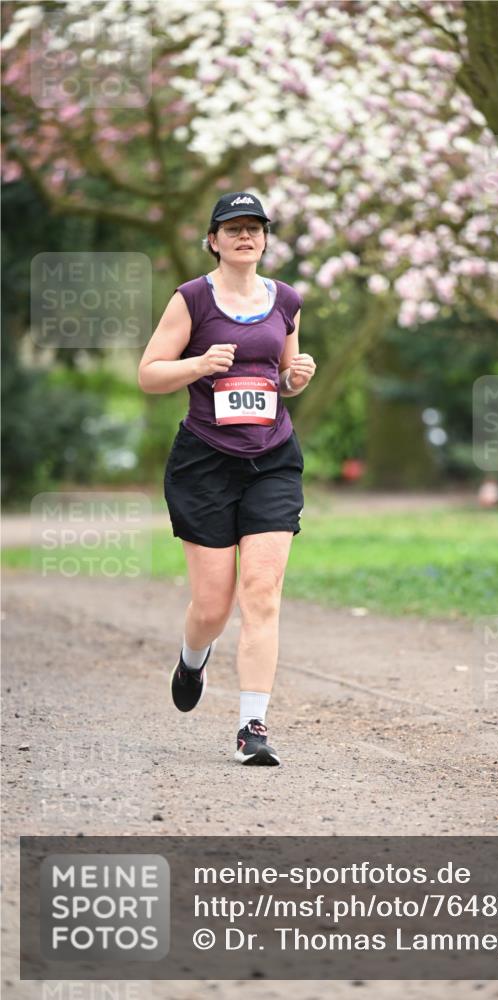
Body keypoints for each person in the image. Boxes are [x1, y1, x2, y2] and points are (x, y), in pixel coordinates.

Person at [137, 191, 316, 766]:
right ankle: (193, 658)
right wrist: (198, 364)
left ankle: (252, 727)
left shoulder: (286, 300)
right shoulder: (191, 299)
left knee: (261, 593)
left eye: (255, 228)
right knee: (213, 605)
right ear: (213, 240)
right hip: (205, 463)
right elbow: (149, 374)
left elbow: (281, 374)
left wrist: (296, 377)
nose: (246, 236)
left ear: (265, 240)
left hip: (272, 458)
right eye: (233, 228)